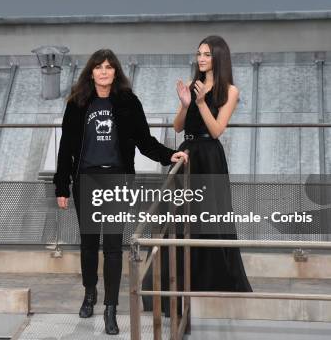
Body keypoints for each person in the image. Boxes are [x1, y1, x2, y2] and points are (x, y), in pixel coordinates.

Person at [53, 49, 187, 335]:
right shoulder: (77, 104)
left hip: (117, 180)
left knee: (113, 246)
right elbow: (65, 148)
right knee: (89, 244)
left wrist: (169, 155)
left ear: (116, 72)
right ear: (91, 72)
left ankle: (110, 308)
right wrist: (61, 185)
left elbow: (144, 141)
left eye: (108, 67)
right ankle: (90, 293)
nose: (103, 72)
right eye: (98, 67)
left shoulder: (127, 102)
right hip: (86, 179)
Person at [173, 35, 252, 292]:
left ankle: (213, 281)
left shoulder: (230, 90)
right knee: (181, 219)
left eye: (207, 54)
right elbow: (177, 127)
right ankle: (181, 281)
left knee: (210, 219)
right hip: (187, 155)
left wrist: (201, 103)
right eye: (199, 54)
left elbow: (217, 130)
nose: (202, 59)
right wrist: (186, 105)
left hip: (209, 158)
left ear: (219, 57)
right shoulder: (191, 84)